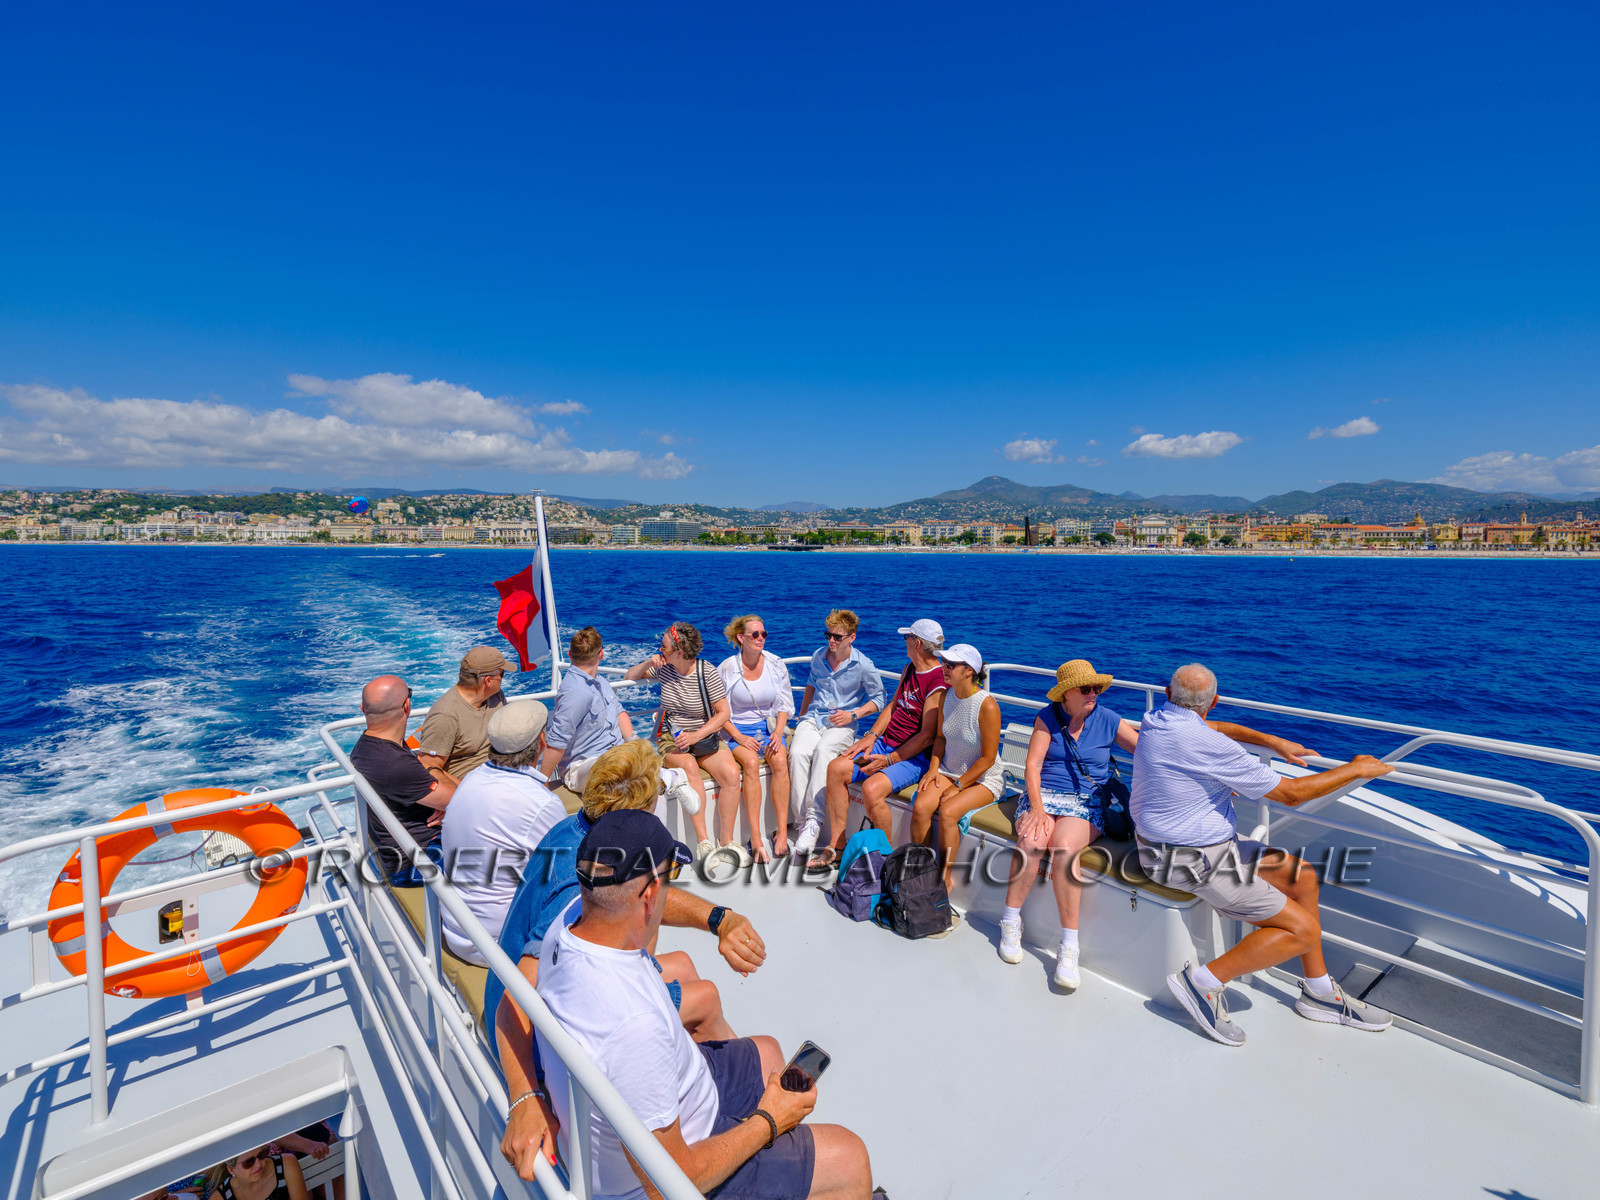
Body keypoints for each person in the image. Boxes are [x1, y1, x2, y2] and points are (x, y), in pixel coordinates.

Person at [535, 810, 875, 1200]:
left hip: (685, 1094)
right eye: (670, 876)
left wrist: (719, 920)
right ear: (649, 895)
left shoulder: (570, 923)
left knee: (767, 1051)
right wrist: (768, 1121)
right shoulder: (634, 1026)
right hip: (675, 1168)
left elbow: (640, 901)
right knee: (850, 1157)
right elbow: (668, 1182)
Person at [491, 740, 769, 1182]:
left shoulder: (577, 836)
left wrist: (717, 918)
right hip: (539, 1037)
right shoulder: (573, 889)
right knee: (706, 997)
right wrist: (525, 1096)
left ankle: (692, 1080)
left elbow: (639, 893)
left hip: (561, 981)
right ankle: (723, 1123)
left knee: (683, 965)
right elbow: (516, 1001)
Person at [1135, 662, 1397, 1047]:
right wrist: (1356, 769)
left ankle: (1319, 992)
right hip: (1188, 860)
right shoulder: (1208, 744)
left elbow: (1213, 728)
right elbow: (1291, 794)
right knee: (1303, 930)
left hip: (1193, 846)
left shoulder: (1156, 719)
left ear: (1168, 694)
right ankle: (1202, 984)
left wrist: (1272, 741)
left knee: (1302, 876)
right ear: (1214, 701)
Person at [998, 659, 1141, 988]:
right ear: (1066, 694)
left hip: (1087, 799)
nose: (1094, 694)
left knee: (1063, 848)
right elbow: (1032, 766)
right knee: (1032, 841)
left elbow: (1146, 750)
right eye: (1086, 688)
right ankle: (1010, 921)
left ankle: (1069, 947)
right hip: (1043, 795)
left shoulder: (1108, 719)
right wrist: (1036, 808)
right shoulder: (1047, 717)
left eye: (1097, 688)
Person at [812, 619, 948, 870]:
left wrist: (888, 760)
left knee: (872, 789)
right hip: (885, 743)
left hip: (913, 756)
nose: (905, 642)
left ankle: (884, 861)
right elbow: (893, 706)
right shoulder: (910, 668)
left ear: (917, 644)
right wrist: (871, 736)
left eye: (907, 638)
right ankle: (837, 846)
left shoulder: (937, 682)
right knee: (836, 768)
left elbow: (927, 736)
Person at [439, 699, 568, 963]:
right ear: (542, 741)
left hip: (456, 930)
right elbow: (564, 875)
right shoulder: (542, 803)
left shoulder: (472, 779)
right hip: (500, 944)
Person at [537, 625, 699, 806]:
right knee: (622, 768)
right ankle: (669, 778)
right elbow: (557, 742)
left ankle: (665, 780)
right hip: (583, 766)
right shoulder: (575, 693)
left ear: (570, 655)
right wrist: (543, 783)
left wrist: (634, 742)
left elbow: (619, 712)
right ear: (601, 654)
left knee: (642, 760)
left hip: (615, 754)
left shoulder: (600, 682)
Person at [623, 622, 743, 862]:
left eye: (664, 647)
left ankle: (726, 841)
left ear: (679, 652)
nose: (660, 649)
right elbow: (629, 676)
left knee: (731, 775)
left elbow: (723, 714)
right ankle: (703, 842)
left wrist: (697, 735)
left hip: (704, 736)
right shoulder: (664, 668)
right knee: (689, 767)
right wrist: (648, 663)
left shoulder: (706, 672)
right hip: (672, 737)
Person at [790, 610, 887, 861]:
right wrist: (802, 719)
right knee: (797, 752)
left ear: (851, 637)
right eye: (828, 635)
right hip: (814, 718)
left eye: (837, 637)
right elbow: (811, 686)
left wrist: (852, 715)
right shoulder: (818, 656)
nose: (831, 641)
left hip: (842, 725)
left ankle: (814, 820)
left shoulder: (863, 665)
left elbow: (879, 699)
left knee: (824, 751)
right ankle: (802, 822)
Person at [911, 644, 1004, 895]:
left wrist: (959, 786)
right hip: (948, 770)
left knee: (948, 811)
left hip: (984, 778)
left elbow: (988, 758)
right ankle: (919, 870)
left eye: (951, 665)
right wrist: (933, 768)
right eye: (944, 663)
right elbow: (940, 738)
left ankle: (945, 878)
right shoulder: (946, 696)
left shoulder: (987, 705)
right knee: (921, 806)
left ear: (969, 671)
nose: (944, 668)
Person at [348, 675, 457, 887]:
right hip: (418, 862)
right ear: (407, 705)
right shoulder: (395, 763)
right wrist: (432, 767)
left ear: (362, 708)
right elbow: (458, 798)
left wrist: (446, 802)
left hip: (409, 849)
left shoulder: (368, 746)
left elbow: (451, 798)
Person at [718, 614, 794, 863]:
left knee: (780, 761)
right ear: (741, 638)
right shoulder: (728, 668)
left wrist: (778, 732)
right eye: (755, 634)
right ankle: (756, 836)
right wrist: (739, 737)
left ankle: (782, 832)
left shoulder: (775, 664)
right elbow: (718, 711)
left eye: (764, 634)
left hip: (767, 727)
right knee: (750, 763)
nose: (761, 638)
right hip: (734, 730)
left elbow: (784, 705)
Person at [416, 646, 514, 783]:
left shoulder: (495, 696)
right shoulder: (445, 716)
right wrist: (464, 790)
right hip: (473, 787)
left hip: (504, 777)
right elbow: (430, 768)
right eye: (502, 674)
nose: (503, 678)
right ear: (488, 681)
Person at [207, 1148, 308, 1200]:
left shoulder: (286, 1164)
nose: (258, 1164)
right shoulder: (219, 1198)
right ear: (231, 1170)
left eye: (262, 1154)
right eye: (249, 1162)